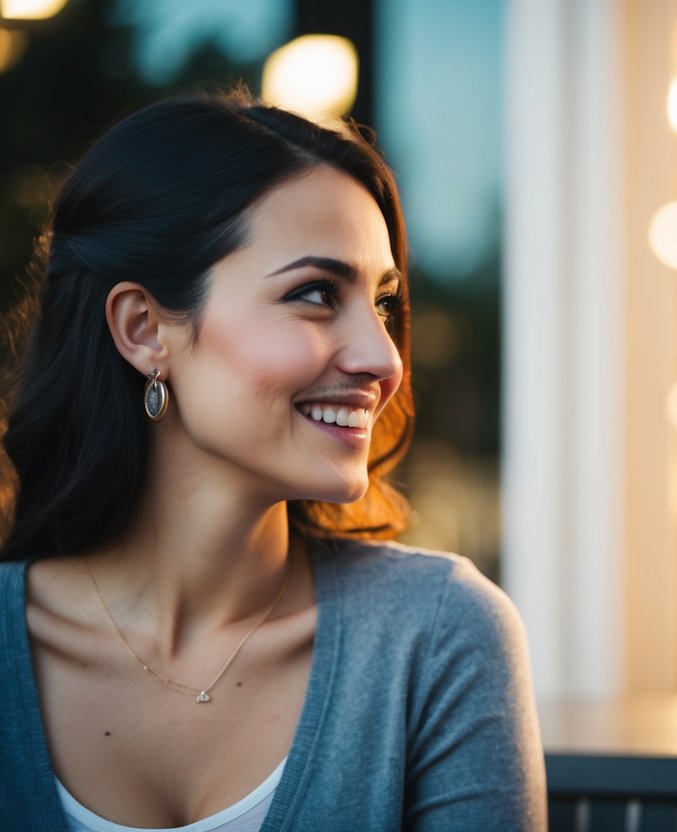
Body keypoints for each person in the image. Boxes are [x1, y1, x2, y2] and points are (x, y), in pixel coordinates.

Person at [0, 91, 545, 831]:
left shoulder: (435, 635)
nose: (382, 358)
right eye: (316, 294)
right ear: (144, 330)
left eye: (383, 303)